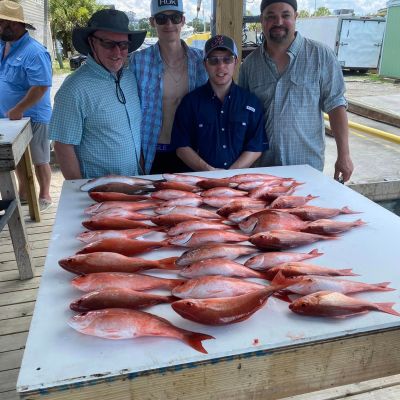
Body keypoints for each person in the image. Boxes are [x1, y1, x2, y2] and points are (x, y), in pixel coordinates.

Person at [239, 0, 354, 182]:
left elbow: (336, 106)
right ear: (262, 19)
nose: (278, 22)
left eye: (285, 15)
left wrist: (344, 155)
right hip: (262, 170)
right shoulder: (250, 65)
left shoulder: (321, 55)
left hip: (307, 169)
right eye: (271, 16)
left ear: (296, 17)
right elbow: (243, 118)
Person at [49, 9, 146, 179]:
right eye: (108, 44)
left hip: (134, 182)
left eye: (123, 45)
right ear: (91, 42)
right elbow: (63, 146)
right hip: (98, 191)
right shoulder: (73, 89)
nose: (117, 53)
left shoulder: (129, 78)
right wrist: (79, 192)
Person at [130, 0, 208, 174]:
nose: (169, 24)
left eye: (175, 17)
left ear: (183, 20)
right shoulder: (138, 61)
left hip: (193, 151)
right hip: (154, 151)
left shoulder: (202, 60)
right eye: (161, 18)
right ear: (152, 22)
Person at [171, 35, 267, 171]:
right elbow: (181, 147)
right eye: (213, 60)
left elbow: (256, 147)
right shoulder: (190, 103)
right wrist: (210, 172)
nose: (221, 66)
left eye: (227, 59)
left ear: (236, 62)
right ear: (205, 64)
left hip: (239, 182)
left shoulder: (251, 102)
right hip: (201, 182)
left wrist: (229, 175)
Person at [0, 0, 52, 211]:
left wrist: (19, 109)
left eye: (5, 23)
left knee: (40, 159)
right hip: (10, 117)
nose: (1, 27)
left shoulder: (35, 52)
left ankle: (45, 195)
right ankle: (23, 193)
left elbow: (41, 87)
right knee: (18, 158)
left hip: (33, 116)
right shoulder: (4, 46)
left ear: (19, 25)